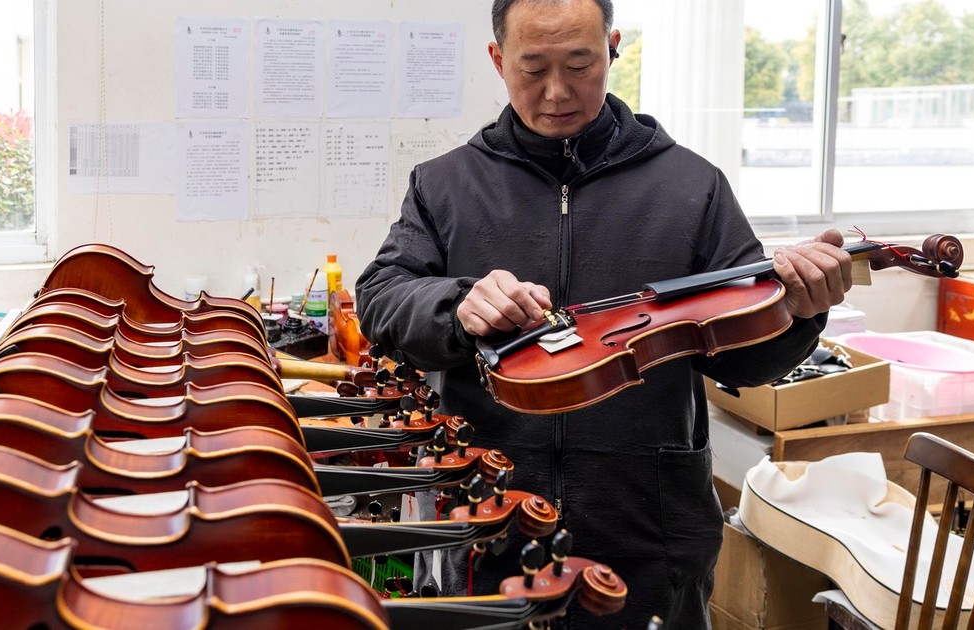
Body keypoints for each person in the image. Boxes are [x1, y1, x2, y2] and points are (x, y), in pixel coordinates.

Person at [355, 0, 852, 626]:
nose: (557, 92)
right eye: (533, 68)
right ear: (498, 59)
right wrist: (458, 306)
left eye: (580, 65)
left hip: (649, 528)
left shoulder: (691, 187)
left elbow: (745, 361)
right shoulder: (445, 184)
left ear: (613, 48)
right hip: (490, 515)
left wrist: (800, 314)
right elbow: (381, 295)